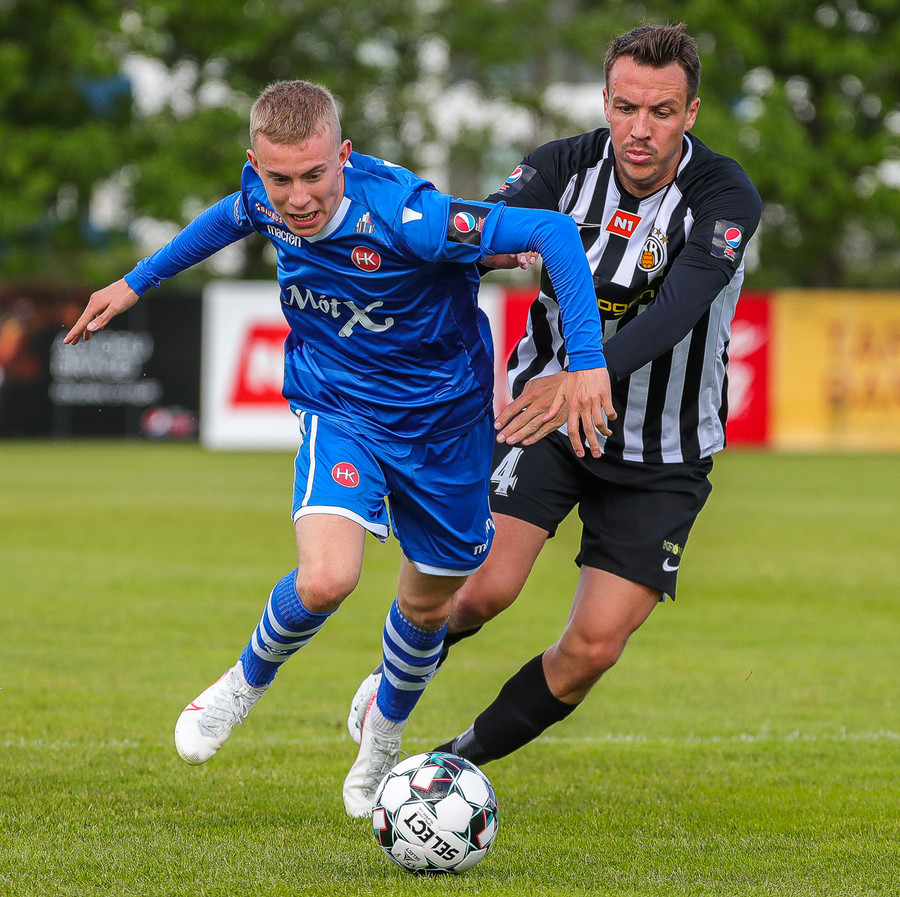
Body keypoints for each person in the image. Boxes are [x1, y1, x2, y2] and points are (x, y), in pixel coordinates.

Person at [63, 80, 615, 817]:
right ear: (256, 166)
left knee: (428, 605)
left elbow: (551, 232)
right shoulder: (263, 196)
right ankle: (240, 685)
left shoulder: (409, 216)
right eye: (279, 178)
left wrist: (586, 361)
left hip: (446, 430)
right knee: (326, 578)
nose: (298, 198)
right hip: (340, 408)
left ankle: (382, 738)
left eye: (315, 175)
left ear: (344, 156)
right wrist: (135, 283)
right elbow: (226, 219)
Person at [347, 24, 762, 768]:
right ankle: (392, 682)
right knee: (480, 589)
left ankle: (444, 771)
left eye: (661, 112)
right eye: (626, 107)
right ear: (605, 101)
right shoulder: (560, 168)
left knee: (592, 649)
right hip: (544, 415)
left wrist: (586, 373)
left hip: (663, 450)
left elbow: (680, 307)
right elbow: (478, 235)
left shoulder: (724, 195)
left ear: (691, 113)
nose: (641, 129)